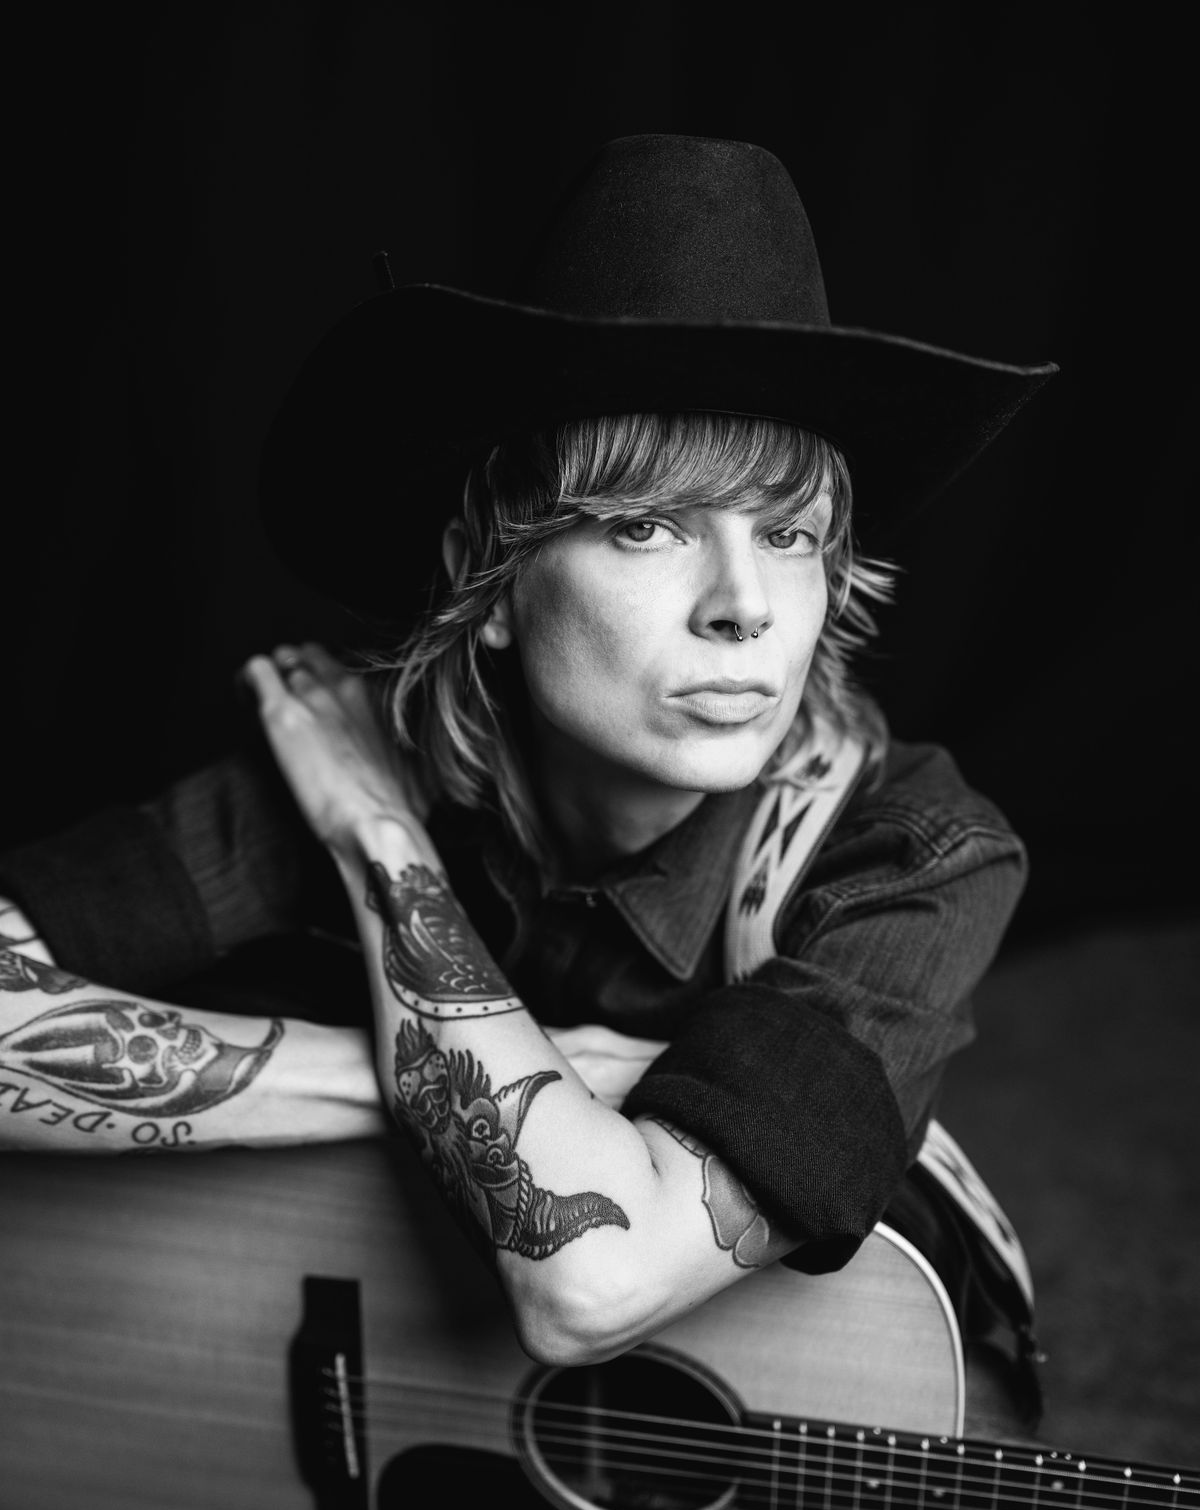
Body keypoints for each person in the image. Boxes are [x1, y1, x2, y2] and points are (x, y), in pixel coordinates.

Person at [0, 136, 1054, 1388]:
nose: (743, 606)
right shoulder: (351, 757)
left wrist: (374, 844)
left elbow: (589, 1284)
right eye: (646, 525)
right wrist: (409, 1062)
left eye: (787, 534)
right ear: (492, 584)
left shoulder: (915, 855)